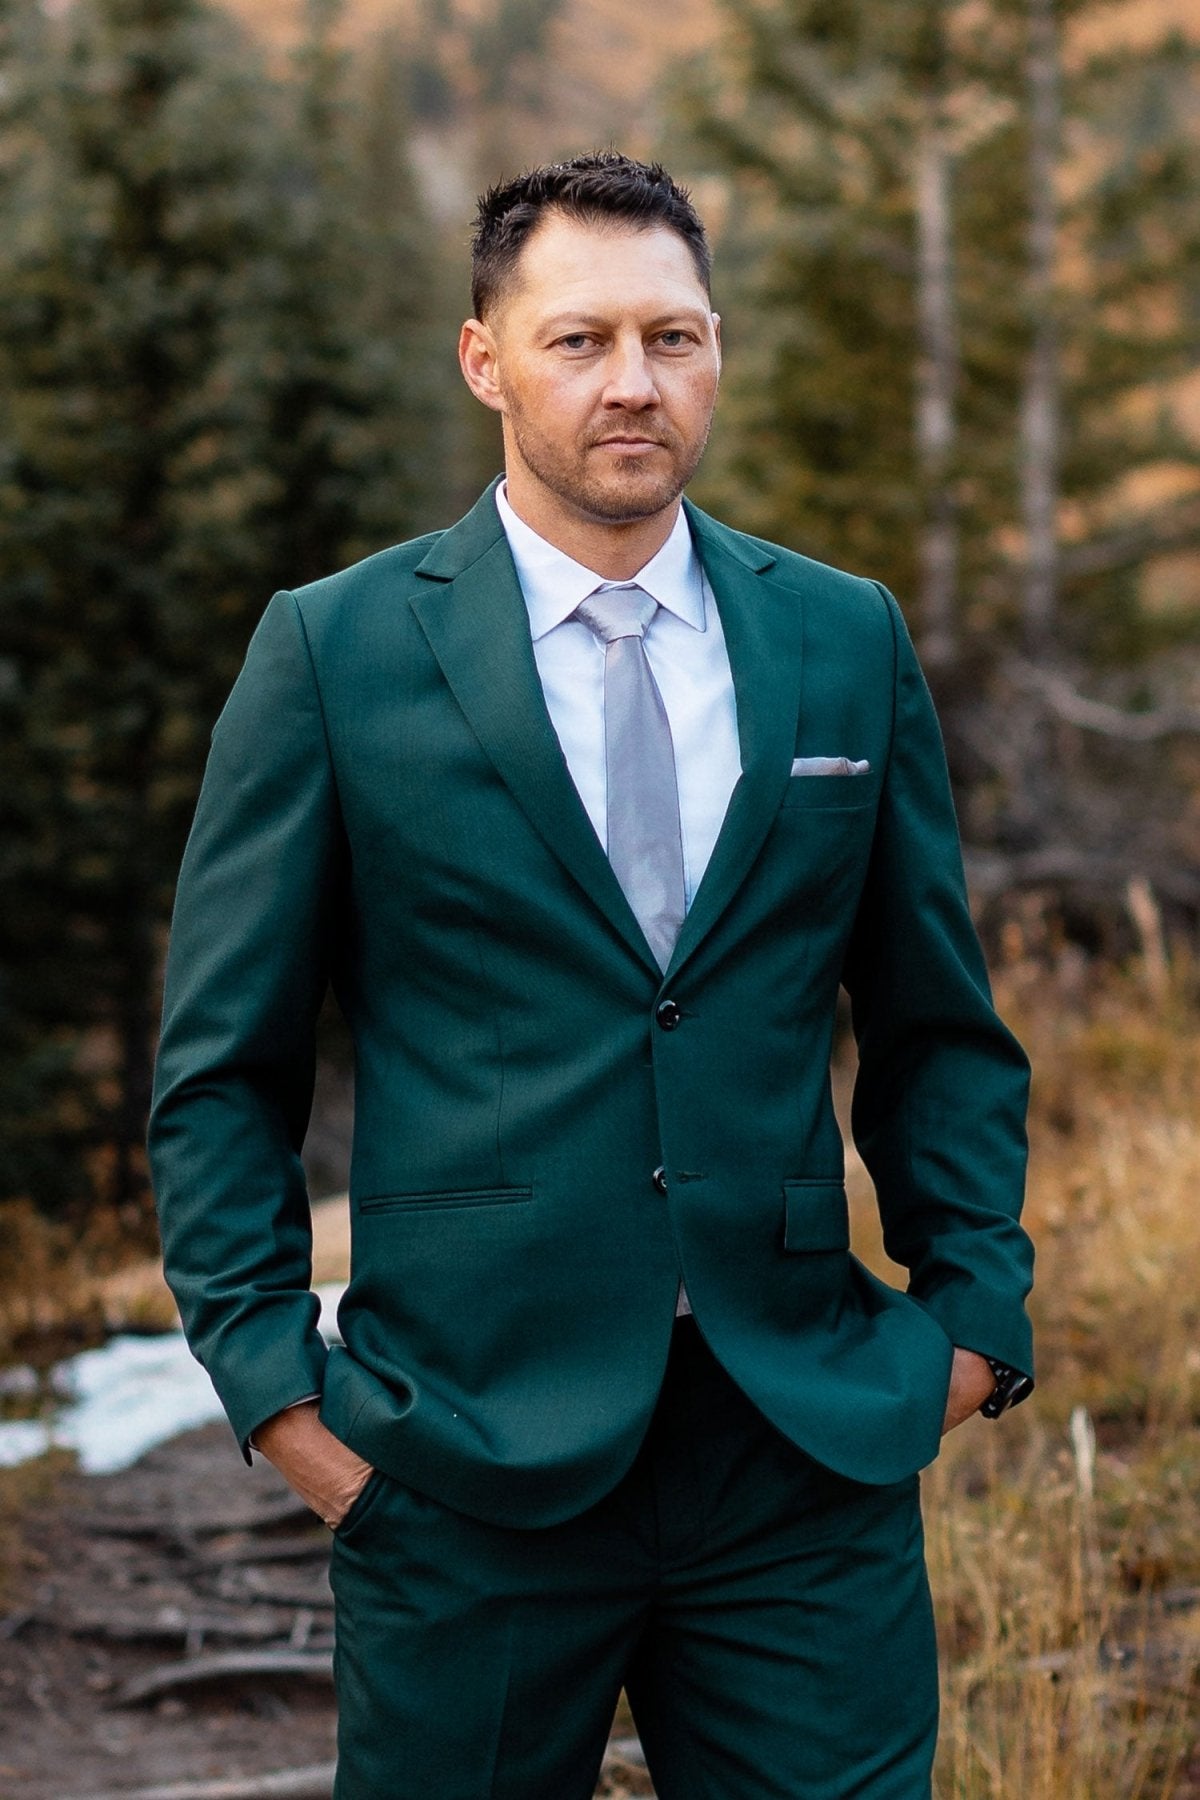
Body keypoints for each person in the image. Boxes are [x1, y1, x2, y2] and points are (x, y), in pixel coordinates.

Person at [149, 152, 1035, 1799]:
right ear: (484, 358)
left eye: (674, 338)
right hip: (460, 1458)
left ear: (715, 351)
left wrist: (972, 1319)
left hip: (801, 1453)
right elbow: (223, 1072)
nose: (634, 383)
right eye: (579, 340)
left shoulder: (844, 637)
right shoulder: (336, 652)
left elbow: (938, 1028)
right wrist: (286, 1407)